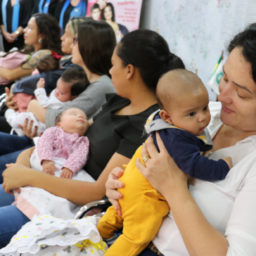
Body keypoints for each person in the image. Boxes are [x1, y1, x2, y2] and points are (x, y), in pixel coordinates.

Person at [0, 29, 184, 248]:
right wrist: (30, 156)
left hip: (64, 207)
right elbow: (73, 136)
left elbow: (98, 191)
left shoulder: (143, 127)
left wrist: (29, 176)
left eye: (114, 64)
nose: (110, 70)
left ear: (129, 71)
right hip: (48, 181)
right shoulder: (119, 102)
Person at [106, 25, 256, 256]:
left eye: (241, 93)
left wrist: (173, 188)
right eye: (224, 77)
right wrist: (123, 184)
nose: (222, 94)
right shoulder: (208, 114)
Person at [97, 69, 232, 255]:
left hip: (131, 180)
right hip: (145, 194)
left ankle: (101, 230)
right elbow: (194, 165)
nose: (202, 118)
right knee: (135, 237)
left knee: (120, 213)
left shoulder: (165, 125)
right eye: (191, 114)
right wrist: (222, 167)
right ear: (167, 117)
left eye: (205, 108)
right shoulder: (178, 139)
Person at [0, 18, 115, 175]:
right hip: (42, 140)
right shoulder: (83, 76)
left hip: (55, 156)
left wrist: (32, 105)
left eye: (74, 40)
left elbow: (56, 117)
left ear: (88, 46)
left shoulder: (102, 85)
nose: (66, 41)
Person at [14, 107, 92, 220]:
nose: (80, 116)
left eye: (84, 118)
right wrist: (46, 160)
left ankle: (56, 208)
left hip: (63, 166)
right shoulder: (54, 131)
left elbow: (80, 156)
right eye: (73, 114)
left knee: (74, 182)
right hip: (47, 160)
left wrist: (69, 167)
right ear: (60, 124)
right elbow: (44, 143)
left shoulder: (83, 141)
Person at [5, 67, 89, 136]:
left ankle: (10, 116)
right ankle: (18, 128)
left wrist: (40, 89)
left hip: (42, 126)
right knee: (23, 117)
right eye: (57, 87)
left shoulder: (63, 104)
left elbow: (44, 104)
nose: (57, 92)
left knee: (19, 119)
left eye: (62, 93)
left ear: (74, 96)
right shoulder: (59, 93)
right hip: (35, 117)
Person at [0, 12, 61, 93]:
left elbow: (10, 75)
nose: (24, 30)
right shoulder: (32, 50)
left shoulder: (45, 54)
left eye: (30, 28)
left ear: (42, 35)